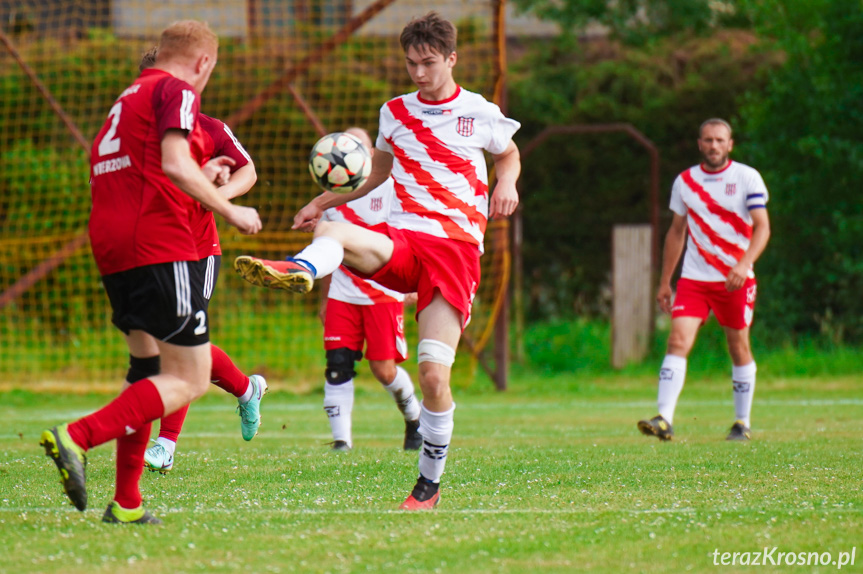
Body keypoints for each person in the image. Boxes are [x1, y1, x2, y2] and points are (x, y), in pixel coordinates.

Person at [234, 12, 521, 510]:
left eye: (428, 63)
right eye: (411, 63)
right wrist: (320, 202)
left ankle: (427, 487)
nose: (418, 73)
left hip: (454, 254)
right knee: (335, 231)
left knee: (434, 376)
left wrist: (508, 183)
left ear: (451, 59)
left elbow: (508, 154)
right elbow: (377, 171)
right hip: (405, 240)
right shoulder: (395, 112)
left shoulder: (478, 111)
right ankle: (299, 269)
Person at [39, 20, 262, 525]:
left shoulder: (126, 99)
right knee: (190, 377)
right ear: (203, 63)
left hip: (114, 246)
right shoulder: (176, 89)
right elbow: (175, 165)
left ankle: (127, 502)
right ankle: (76, 437)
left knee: (147, 372)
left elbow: (152, 170)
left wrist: (202, 176)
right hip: (160, 246)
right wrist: (232, 211)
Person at [133, 47, 268, 475]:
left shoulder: (209, 129)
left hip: (195, 251)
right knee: (173, 346)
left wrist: (217, 198)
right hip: (148, 251)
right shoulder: (133, 132)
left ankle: (165, 445)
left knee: (178, 345)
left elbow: (248, 171)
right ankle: (247, 389)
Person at [637, 118, 770, 442]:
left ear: (730, 144)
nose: (713, 145)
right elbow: (677, 231)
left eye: (719, 140)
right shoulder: (685, 181)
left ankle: (742, 422)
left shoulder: (746, 177)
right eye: (708, 140)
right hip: (695, 279)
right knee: (677, 341)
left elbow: (762, 227)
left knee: (738, 347)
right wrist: (664, 281)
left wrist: (743, 264)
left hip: (735, 280)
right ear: (699, 144)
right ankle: (664, 419)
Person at [316, 127, 422, 453]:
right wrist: (324, 296)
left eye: (357, 146)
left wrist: (413, 281)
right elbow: (325, 248)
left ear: (371, 154)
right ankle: (341, 442)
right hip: (342, 293)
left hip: (383, 293)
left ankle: (414, 418)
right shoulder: (329, 196)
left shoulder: (390, 189)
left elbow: (409, 234)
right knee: (337, 365)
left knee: (384, 370)